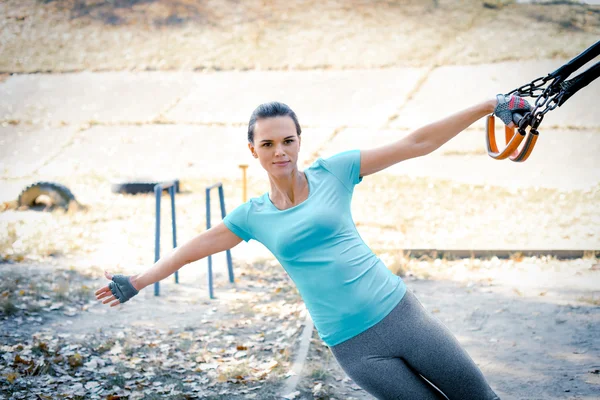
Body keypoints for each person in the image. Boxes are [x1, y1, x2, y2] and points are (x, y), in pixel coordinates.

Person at [95, 95, 530, 399]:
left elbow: (415, 144)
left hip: (402, 316)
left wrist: (487, 106)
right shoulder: (252, 216)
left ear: (299, 140)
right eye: (268, 144)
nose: (279, 151)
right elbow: (194, 248)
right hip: (354, 347)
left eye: (288, 140)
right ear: (254, 150)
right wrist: (137, 280)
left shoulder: (335, 172)